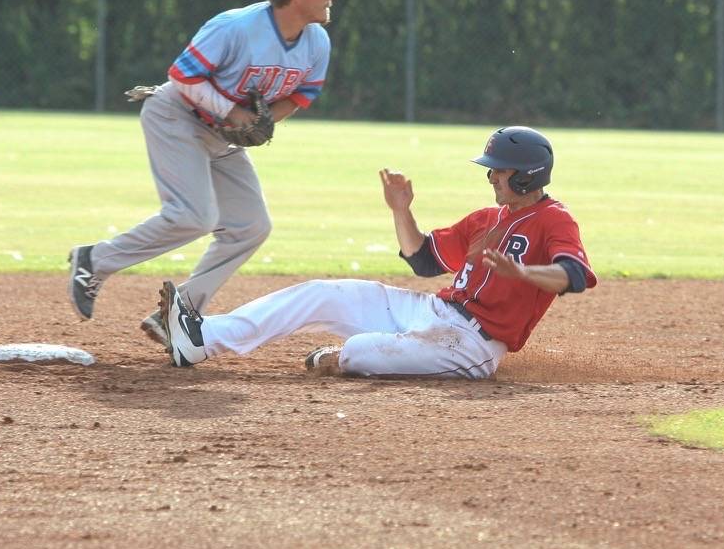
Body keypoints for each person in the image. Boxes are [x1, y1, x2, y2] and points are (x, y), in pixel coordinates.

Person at [156, 126, 597, 379]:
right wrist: (402, 211)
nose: (490, 180)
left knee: (362, 350)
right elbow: (423, 260)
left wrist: (523, 274)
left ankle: (348, 358)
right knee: (322, 293)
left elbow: (572, 275)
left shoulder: (555, 219)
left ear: (525, 176)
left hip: (471, 345)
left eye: (497, 173)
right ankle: (201, 339)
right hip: (433, 311)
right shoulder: (487, 218)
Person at [68, 0, 349, 341]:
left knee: (251, 226)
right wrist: (234, 115)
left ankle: (178, 312)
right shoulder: (235, 26)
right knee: (193, 215)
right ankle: (94, 260)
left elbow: (300, 96)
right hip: (177, 117)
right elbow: (183, 76)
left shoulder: (316, 41)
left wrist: (262, 123)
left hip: (222, 136)